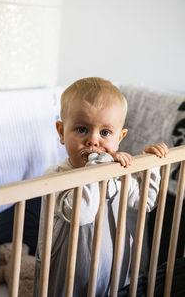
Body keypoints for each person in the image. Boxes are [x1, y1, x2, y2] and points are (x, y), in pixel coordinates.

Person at [33, 77, 169, 297]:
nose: (93, 141)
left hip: (110, 275)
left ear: (119, 137)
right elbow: (81, 214)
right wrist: (99, 164)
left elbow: (146, 203)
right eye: (81, 129)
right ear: (61, 132)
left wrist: (151, 165)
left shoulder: (116, 172)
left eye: (105, 133)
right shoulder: (55, 177)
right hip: (65, 278)